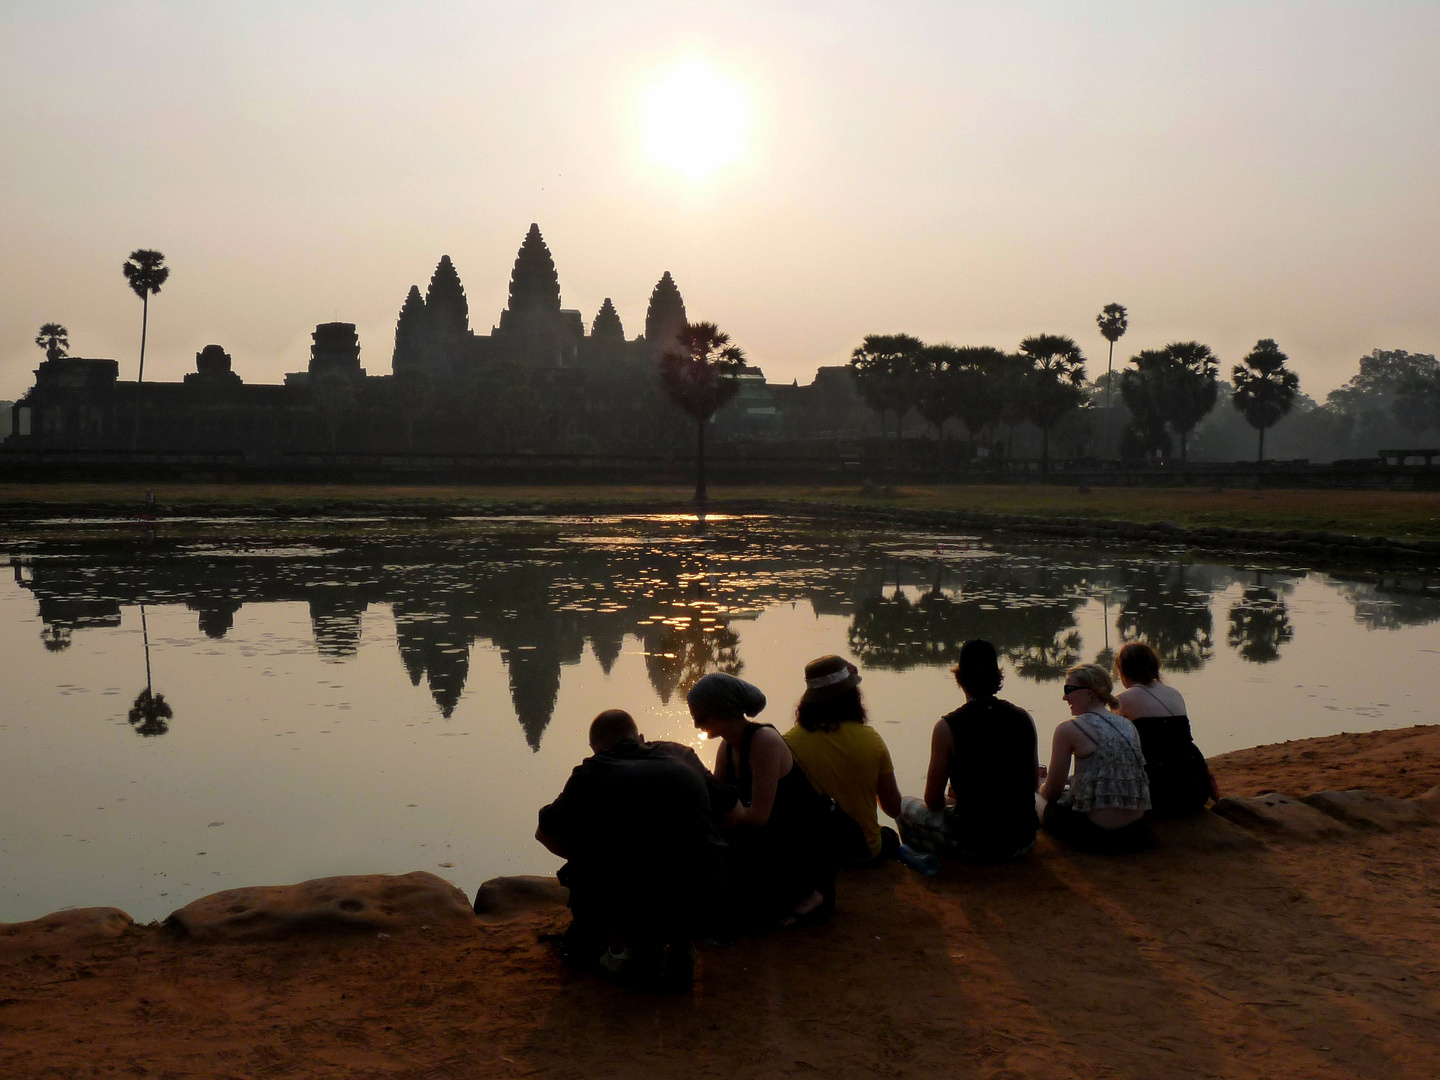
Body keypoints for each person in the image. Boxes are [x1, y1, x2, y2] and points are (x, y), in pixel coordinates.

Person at [535, 709, 730, 988]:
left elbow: (544, 832)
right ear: (640, 738)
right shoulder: (682, 755)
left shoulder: (591, 772)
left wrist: (588, 857)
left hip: (636, 902)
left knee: (598, 870)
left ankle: (637, 955)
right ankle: (680, 946)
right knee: (677, 860)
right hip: (710, 899)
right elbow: (731, 813)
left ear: (595, 748)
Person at [687, 672, 834, 928]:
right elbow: (719, 800)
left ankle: (814, 893)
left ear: (721, 709)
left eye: (700, 717)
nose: (697, 725)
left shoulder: (764, 742)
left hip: (793, 843)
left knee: (743, 913)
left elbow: (758, 815)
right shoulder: (727, 747)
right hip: (762, 838)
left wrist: (726, 817)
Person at [897, 639, 1039, 862]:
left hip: (974, 844)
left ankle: (924, 859)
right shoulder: (1023, 717)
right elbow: (1031, 784)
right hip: (1023, 840)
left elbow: (933, 801)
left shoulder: (947, 727)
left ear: (960, 679)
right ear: (997, 677)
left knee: (904, 805)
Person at [782, 655, 902, 865]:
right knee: (889, 836)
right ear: (852, 697)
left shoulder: (786, 744)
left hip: (811, 855)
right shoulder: (871, 739)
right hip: (861, 851)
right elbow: (893, 808)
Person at [1037, 664, 1151, 852]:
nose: (1065, 697)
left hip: (1097, 832)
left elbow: (1051, 793)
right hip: (1137, 830)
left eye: (1069, 690)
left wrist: (1040, 783)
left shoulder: (1068, 729)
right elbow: (1107, 776)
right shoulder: (1127, 725)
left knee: (1035, 800)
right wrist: (1067, 781)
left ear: (1090, 693)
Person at [1113, 642, 1217, 816]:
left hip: (1156, 793)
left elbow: (1113, 746)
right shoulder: (1174, 693)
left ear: (1123, 671)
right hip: (1194, 791)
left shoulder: (1122, 700)